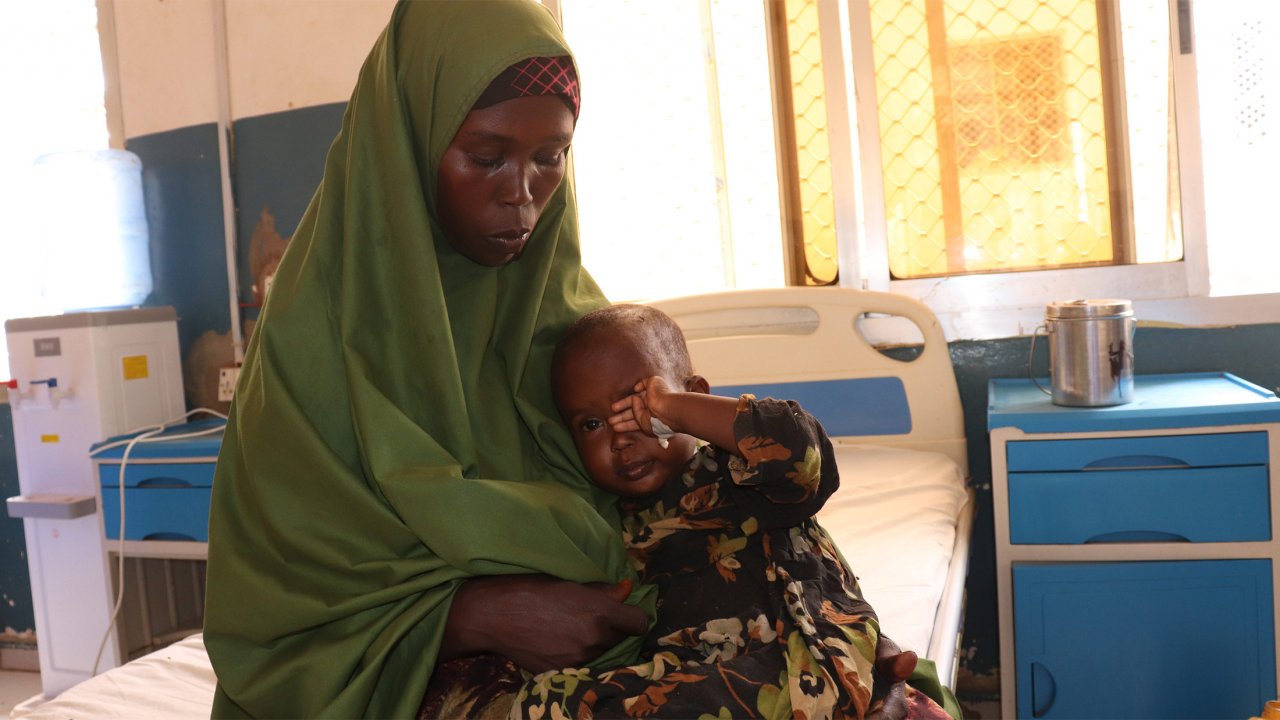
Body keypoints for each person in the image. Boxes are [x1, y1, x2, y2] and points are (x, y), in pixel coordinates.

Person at [203, 2, 655, 718]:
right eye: (485, 156)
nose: (522, 193)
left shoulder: (573, 324)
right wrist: (468, 615)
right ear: (409, 146)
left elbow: (694, 482)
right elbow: (271, 614)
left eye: (551, 157)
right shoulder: (310, 340)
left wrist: (824, 608)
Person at [510, 304, 957, 719]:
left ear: (695, 396)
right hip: (708, 685)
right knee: (554, 700)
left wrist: (671, 409)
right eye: (592, 425)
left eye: (639, 407)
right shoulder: (606, 525)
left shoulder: (742, 472)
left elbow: (802, 454)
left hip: (818, 660)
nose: (621, 438)